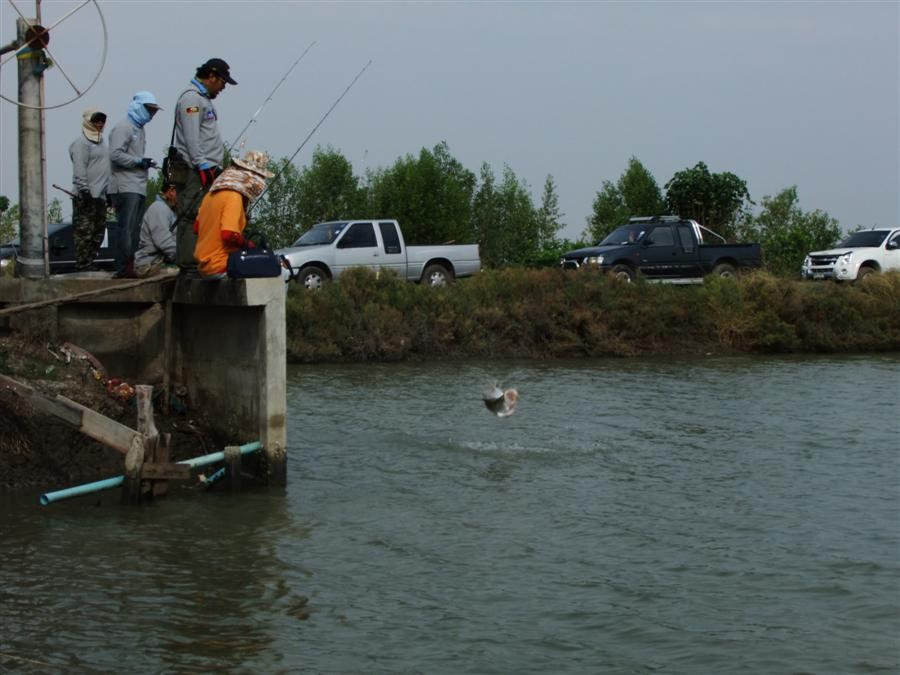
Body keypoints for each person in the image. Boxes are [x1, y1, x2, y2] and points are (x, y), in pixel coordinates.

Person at [168, 57, 237, 275]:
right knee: (190, 214)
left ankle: (202, 260)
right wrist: (202, 164)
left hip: (206, 168)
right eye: (222, 82)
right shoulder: (191, 99)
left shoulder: (203, 100)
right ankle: (188, 264)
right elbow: (191, 138)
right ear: (211, 76)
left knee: (205, 215)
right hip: (194, 170)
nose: (223, 87)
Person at [193, 150, 272, 278]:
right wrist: (249, 246)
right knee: (272, 268)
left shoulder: (210, 195)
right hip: (221, 263)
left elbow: (196, 228)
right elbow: (228, 234)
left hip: (203, 265)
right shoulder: (234, 197)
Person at [108, 91, 162, 278]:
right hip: (124, 185)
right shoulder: (124, 127)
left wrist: (144, 162)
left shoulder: (139, 129)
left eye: (154, 111)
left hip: (137, 185)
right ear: (139, 106)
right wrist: (138, 161)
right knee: (126, 228)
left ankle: (131, 264)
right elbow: (115, 154)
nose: (152, 114)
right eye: (149, 109)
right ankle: (123, 267)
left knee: (134, 230)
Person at [69, 108, 111, 271]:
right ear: (88, 122)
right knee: (84, 232)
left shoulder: (102, 143)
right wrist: (84, 190)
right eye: (96, 121)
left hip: (100, 195)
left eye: (102, 121)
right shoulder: (81, 143)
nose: (100, 124)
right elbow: (79, 168)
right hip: (86, 195)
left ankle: (90, 260)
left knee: (98, 231)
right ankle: (83, 263)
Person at [133, 182, 178, 277]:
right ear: (171, 191)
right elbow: (163, 242)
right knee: (187, 272)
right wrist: (184, 257)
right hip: (148, 265)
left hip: (157, 263)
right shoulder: (159, 208)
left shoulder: (168, 210)